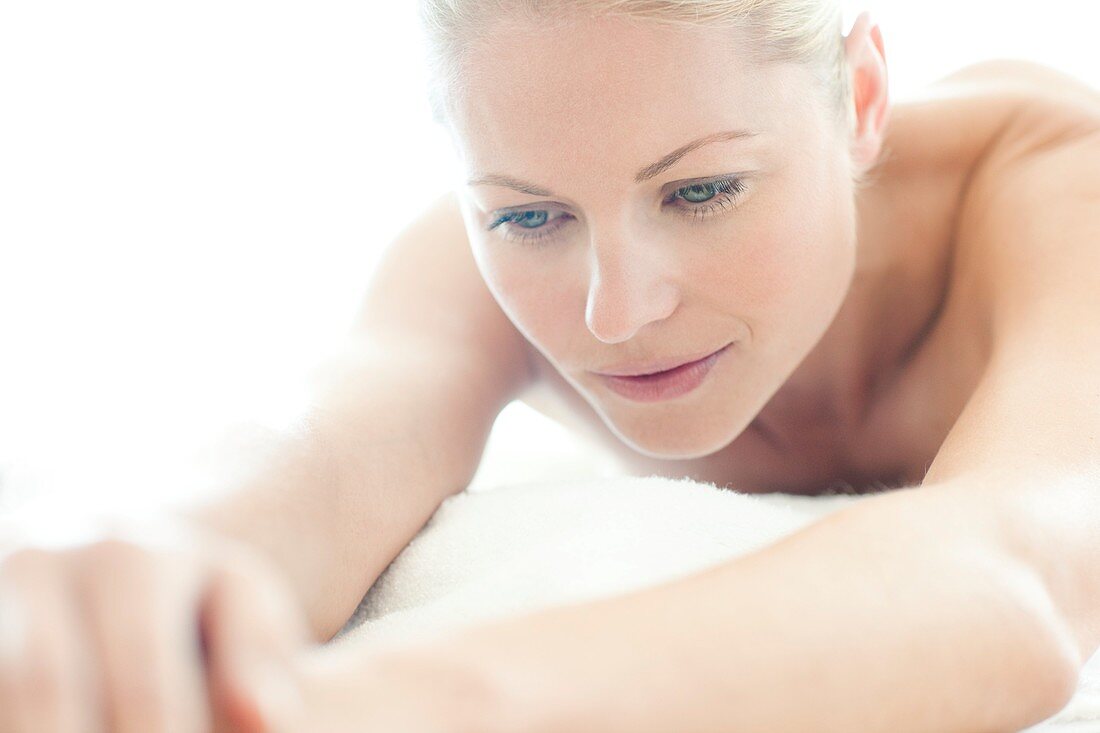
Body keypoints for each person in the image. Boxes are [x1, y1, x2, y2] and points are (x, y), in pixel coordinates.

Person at [2, 1, 1099, 731]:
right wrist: (131, 576)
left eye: (701, 191)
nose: (611, 311)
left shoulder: (1057, 185)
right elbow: (333, 441)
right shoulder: (486, 256)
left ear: (859, 99)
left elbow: (1012, 579)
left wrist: (362, 707)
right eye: (527, 214)